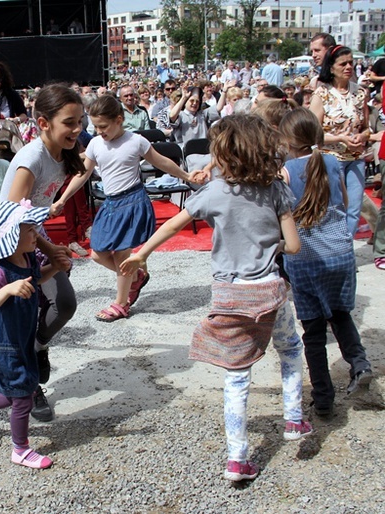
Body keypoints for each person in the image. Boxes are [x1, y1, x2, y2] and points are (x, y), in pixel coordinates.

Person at [120, 114, 309, 482]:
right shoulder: (274, 189)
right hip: (269, 290)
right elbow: (296, 246)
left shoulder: (213, 193)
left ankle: (237, 459)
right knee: (289, 350)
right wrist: (271, 244)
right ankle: (294, 419)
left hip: (230, 293)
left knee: (237, 375)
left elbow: (174, 224)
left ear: (223, 153)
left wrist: (143, 253)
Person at [50, 95, 205, 322]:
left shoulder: (136, 141)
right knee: (96, 254)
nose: (100, 131)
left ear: (119, 120)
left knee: (122, 254)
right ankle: (135, 277)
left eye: (103, 126)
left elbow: (161, 161)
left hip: (132, 202)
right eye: (95, 126)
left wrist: (185, 175)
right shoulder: (95, 144)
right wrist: (62, 199)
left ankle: (121, 303)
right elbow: (82, 174)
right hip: (111, 204)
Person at [278, 108, 373, 416]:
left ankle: (323, 397)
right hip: (340, 252)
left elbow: (279, 214)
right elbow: (344, 202)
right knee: (342, 315)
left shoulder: (286, 171)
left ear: (288, 139)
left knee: (314, 332)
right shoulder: (332, 161)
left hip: (306, 256)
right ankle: (359, 364)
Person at [0, 84, 83, 422]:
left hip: (35, 236)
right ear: (44, 122)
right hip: (12, 244)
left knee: (64, 304)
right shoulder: (31, 158)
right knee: (25, 318)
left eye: (80, 121)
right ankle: (29, 386)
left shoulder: (65, 154)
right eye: (70, 123)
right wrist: (50, 248)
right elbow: (11, 215)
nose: (77, 130)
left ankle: (37, 349)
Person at [0, 200, 63, 469]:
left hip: (22, 340)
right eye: (30, 231)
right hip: (2, 345)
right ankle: (20, 449)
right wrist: (7, 289)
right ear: (11, 237)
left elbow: (35, 279)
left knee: (20, 389)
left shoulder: (26, 257)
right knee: (22, 396)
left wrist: (54, 267)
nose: (37, 236)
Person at [309, 46, 370, 238]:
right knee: (333, 207)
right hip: (331, 158)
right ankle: (331, 248)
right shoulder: (321, 94)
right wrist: (340, 137)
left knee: (354, 207)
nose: (349, 67)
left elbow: (367, 128)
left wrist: (362, 136)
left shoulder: (360, 93)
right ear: (331, 67)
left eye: (351, 62)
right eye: (343, 63)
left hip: (356, 157)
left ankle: (346, 248)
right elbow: (313, 132)